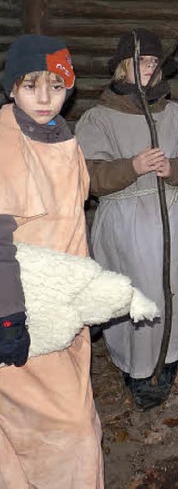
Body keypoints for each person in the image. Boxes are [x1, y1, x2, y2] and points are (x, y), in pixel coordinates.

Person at [75, 29, 178, 410]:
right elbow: (90, 176)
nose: (148, 68)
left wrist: (174, 167)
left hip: (174, 222)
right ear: (121, 69)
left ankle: (166, 361)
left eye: (153, 63)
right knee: (134, 295)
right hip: (125, 226)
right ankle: (135, 367)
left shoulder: (175, 114)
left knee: (174, 293)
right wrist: (132, 167)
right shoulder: (98, 118)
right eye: (140, 62)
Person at [0, 35, 104, 487]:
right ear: (11, 89)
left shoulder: (62, 138)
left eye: (56, 86)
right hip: (23, 312)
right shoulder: (6, 144)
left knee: (65, 425)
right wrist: (8, 319)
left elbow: (72, 226)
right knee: (70, 432)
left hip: (64, 309)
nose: (45, 98)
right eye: (31, 86)